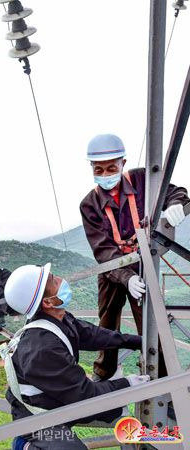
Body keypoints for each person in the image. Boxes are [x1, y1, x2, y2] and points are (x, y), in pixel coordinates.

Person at [3, 263, 149, 450]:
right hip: (36, 418)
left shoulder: (59, 319)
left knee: (114, 410)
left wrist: (136, 341)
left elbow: (92, 335)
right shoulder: (43, 349)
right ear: (48, 302)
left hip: (56, 398)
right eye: (53, 280)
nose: (60, 280)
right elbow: (85, 396)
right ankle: (24, 445)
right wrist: (127, 384)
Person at [80, 133, 190, 381]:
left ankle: (162, 377)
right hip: (112, 266)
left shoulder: (142, 180)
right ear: (91, 169)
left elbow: (174, 191)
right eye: (99, 169)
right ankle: (105, 370)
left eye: (111, 167)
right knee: (108, 317)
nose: (106, 174)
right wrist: (126, 277)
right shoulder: (90, 204)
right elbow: (103, 249)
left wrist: (176, 204)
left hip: (142, 262)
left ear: (122, 163)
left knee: (150, 321)